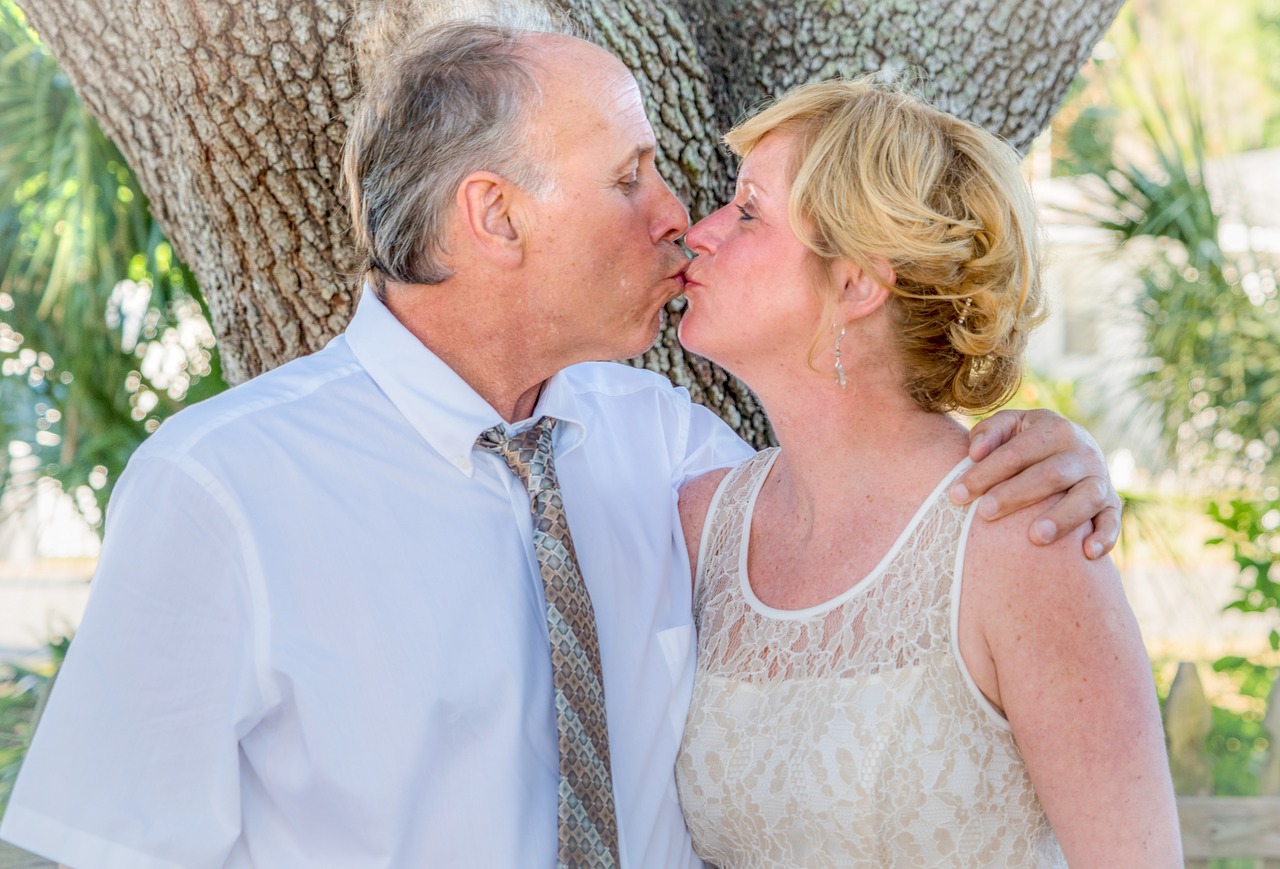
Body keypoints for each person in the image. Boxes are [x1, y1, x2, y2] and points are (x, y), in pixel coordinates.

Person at [1, 17, 1121, 869]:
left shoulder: (673, 454)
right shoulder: (220, 490)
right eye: (629, 176)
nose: (676, 214)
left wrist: (1052, 456)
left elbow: (876, 528)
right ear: (496, 216)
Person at [673, 78, 1181, 867]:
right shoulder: (701, 526)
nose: (699, 232)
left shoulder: (1023, 534)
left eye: (748, 211)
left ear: (856, 282)